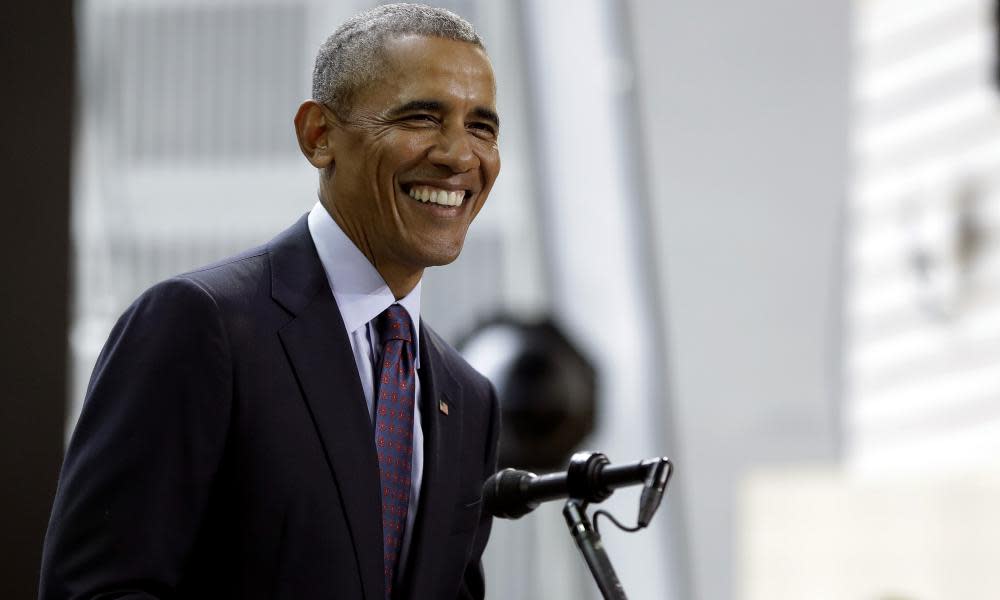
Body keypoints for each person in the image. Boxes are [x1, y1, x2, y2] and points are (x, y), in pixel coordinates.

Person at [39, 4, 501, 599]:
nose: (460, 155)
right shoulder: (200, 324)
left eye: (482, 127)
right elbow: (98, 590)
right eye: (421, 117)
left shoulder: (468, 398)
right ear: (319, 136)